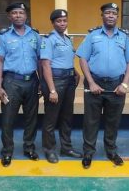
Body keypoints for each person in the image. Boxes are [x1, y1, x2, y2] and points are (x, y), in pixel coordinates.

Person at [76, 3, 129, 169]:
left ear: (117, 17)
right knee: (91, 121)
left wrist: (125, 83)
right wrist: (91, 82)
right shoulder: (93, 36)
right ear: (102, 15)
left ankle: (111, 151)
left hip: (117, 85)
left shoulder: (124, 37)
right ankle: (88, 152)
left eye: (114, 13)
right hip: (95, 84)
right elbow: (82, 59)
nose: (111, 16)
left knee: (113, 121)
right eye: (108, 13)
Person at [0, 2, 42, 167]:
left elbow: (41, 61)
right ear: (9, 16)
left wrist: (42, 82)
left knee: (31, 118)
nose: (18, 15)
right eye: (14, 13)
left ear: (26, 15)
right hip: (11, 82)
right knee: (8, 119)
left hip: (32, 82)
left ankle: (29, 148)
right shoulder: (4, 36)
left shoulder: (35, 35)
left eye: (21, 12)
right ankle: (7, 152)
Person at [40, 9, 82, 164]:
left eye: (64, 21)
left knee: (66, 117)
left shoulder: (68, 39)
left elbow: (65, 59)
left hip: (69, 80)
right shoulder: (48, 40)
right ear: (53, 23)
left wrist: (75, 72)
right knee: (51, 118)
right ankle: (49, 149)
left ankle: (66, 147)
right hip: (55, 81)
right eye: (59, 21)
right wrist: (52, 90)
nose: (62, 23)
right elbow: (45, 65)